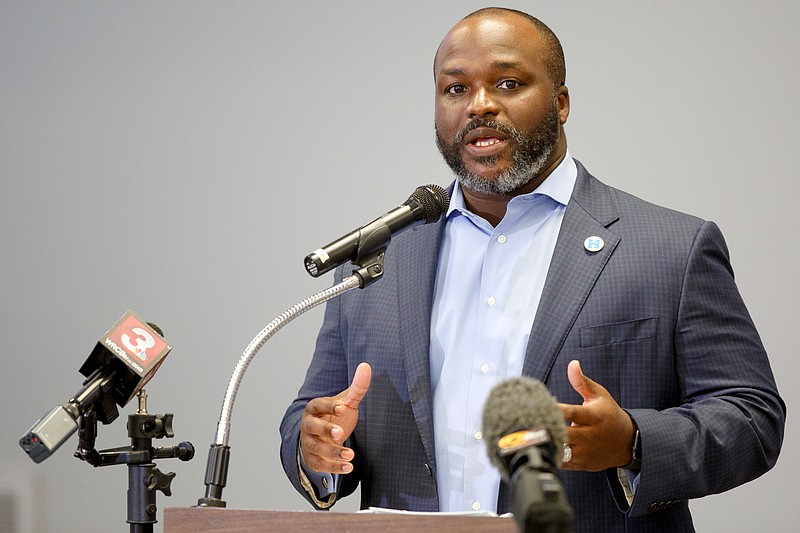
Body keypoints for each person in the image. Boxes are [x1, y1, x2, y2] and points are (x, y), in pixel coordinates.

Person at [279, 7, 785, 531]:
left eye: (508, 83)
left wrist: (632, 440)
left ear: (560, 102)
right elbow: (309, 414)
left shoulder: (671, 248)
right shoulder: (379, 260)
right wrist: (315, 446)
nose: (480, 105)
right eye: (456, 89)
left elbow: (752, 418)